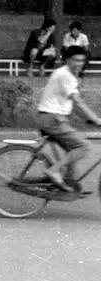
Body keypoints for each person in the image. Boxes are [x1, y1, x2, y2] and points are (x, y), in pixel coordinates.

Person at [37, 45, 101, 193]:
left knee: (73, 150)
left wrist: (88, 119)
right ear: (66, 60)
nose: (79, 63)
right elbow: (78, 102)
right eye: (75, 60)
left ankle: (67, 183)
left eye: (82, 60)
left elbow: (74, 105)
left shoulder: (65, 74)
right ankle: (53, 171)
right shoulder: (66, 75)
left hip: (52, 118)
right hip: (52, 119)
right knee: (83, 147)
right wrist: (96, 120)